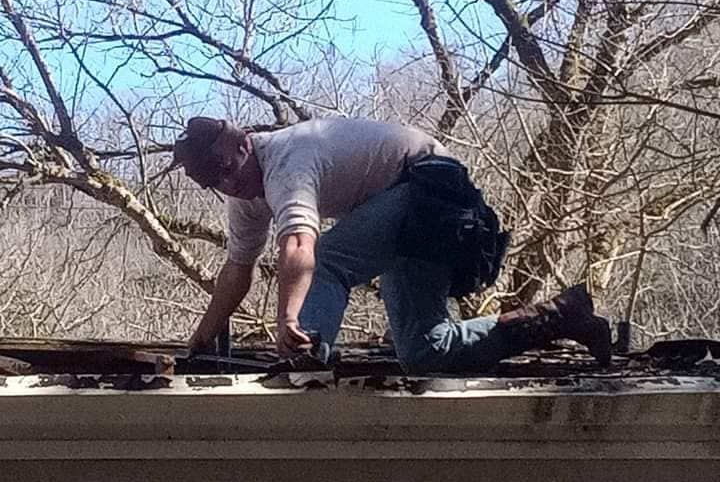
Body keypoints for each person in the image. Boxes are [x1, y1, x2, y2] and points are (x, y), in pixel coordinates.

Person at [173, 115, 611, 372]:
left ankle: (306, 358)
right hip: (415, 213)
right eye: (214, 181)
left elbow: (300, 246)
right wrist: (201, 339)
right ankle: (560, 315)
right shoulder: (245, 197)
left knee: (327, 261)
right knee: (425, 351)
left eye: (227, 169)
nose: (229, 184)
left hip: (433, 188)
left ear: (244, 144)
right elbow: (237, 269)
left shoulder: (287, 160)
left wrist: (289, 320)